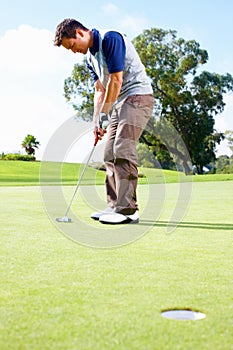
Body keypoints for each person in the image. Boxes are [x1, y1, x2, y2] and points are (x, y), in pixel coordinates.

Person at [54, 18, 154, 224]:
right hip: (118, 102)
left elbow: (116, 80)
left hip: (137, 96)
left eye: (72, 45)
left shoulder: (110, 38)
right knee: (109, 152)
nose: (73, 51)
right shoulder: (90, 58)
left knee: (122, 148)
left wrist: (105, 113)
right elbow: (100, 90)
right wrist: (97, 122)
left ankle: (128, 210)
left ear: (80, 33)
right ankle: (114, 205)